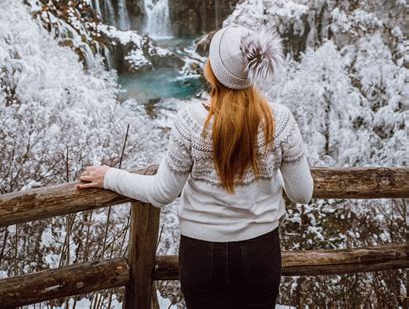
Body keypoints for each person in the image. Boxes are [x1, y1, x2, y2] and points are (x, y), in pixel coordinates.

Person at [77, 23, 314, 309]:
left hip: (201, 253)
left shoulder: (191, 122)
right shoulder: (280, 121)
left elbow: (163, 191)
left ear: (213, 69)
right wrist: (267, 168)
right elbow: (302, 193)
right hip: (259, 249)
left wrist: (110, 176)